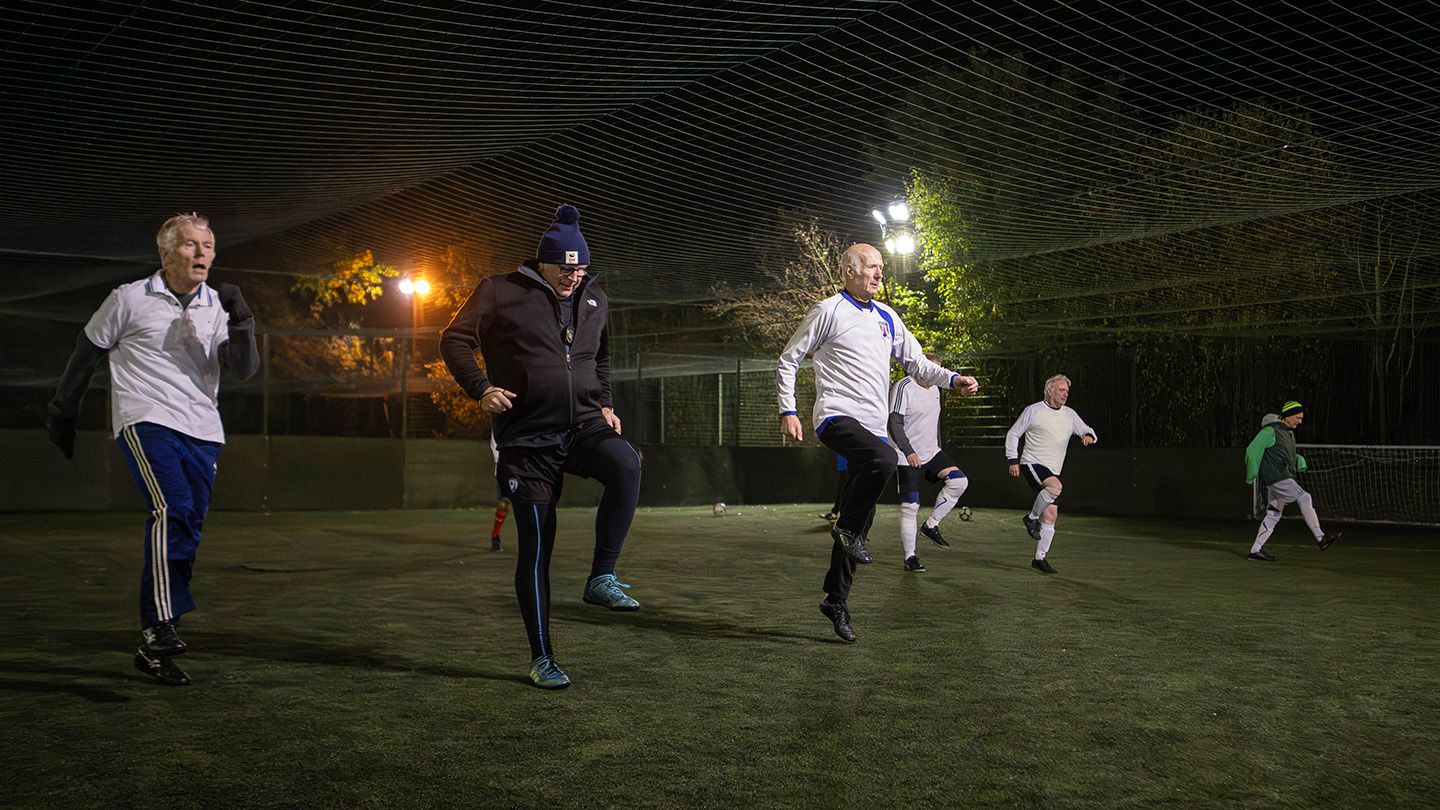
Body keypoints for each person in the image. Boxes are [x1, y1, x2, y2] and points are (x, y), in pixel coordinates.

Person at [46, 213, 259, 686]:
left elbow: (244, 371)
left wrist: (242, 320)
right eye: (190, 244)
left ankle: (155, 646)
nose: (202, 252)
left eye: (208, 245)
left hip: (203, 430)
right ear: (165, 253)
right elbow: (86, 352)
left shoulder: (217, 306)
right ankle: (161, 625)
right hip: (146, 419)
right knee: (171, 508)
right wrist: (62, 411)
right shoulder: (128, 298)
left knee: (188, 526)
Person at [440, 204, 642, 690]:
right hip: (527, 438)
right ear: (544, 263)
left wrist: (606, 403)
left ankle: (601, 578)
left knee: (627, 464)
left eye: (581, 269)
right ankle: (542, 657)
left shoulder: (596, 297)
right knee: (536, 546)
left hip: (584, 425)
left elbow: (601, 358)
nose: (573, 277)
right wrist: (480, 388)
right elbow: (454, 340)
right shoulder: (499, 291)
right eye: (565, 268)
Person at [777, 243, 978, 643]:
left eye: (881, 267)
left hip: (873, 427)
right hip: (835, 416)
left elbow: (917, 362)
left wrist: (953, 379)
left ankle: (835, 599)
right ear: (849, 271)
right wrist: (788, 410)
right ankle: (847, 530)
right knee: (884, 460)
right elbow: (789, 358)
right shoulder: (827, 310)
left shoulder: (888, 316)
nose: (879, 273)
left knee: (861, 518)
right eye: (871, 266)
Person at [1004, 374, 1096, 574]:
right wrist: (1012, 459)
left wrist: (1088, 435)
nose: (1065, 394)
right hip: (1032, 463)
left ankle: (1039, 559)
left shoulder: (1070, 414)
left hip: (1053, 469)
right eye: (1061, 390)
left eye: (1067, 391)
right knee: (1055, 487)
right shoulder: (1033, 411)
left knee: (1051, 514)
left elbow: (1086, 429)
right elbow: (1013, 434)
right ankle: (1031, 518)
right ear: (1049, 390)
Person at [889, 354, 970, 572]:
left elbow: (933, 422)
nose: (936, 375)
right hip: (906, 455)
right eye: (932, 370)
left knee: (959, 481)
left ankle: (931, 525)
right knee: (910, 507)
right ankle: (910, 557)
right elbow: (894, 423)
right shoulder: (903, 387)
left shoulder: (935, 389)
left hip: (932, 452)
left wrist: (938, 447)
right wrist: (908, 451)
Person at [1244, 400, 1342, 561]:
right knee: (1304, 497)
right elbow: (1252, 451)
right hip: (1279, 478)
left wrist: (1297, 459)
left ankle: (1255, 551)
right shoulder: (1270, 431)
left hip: (1277, 478)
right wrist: (1251, 474)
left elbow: (1280, 453)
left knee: (1273, 514)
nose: (1300, 421)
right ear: (1287, 416)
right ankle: (1320, 538)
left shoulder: (1287, 433)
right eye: (1298, 417)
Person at [488, 434, 509, 551]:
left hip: (524, 470)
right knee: (504, 503)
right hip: (505, 470)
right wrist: (502, 463)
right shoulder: (498, 424)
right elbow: (494, 444)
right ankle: (495, 535)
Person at [819, 454, 848, 523]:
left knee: (845, 489)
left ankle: (838, 513)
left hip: (850, 465)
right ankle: (836, 512)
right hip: (844, 465)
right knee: (842, 489)